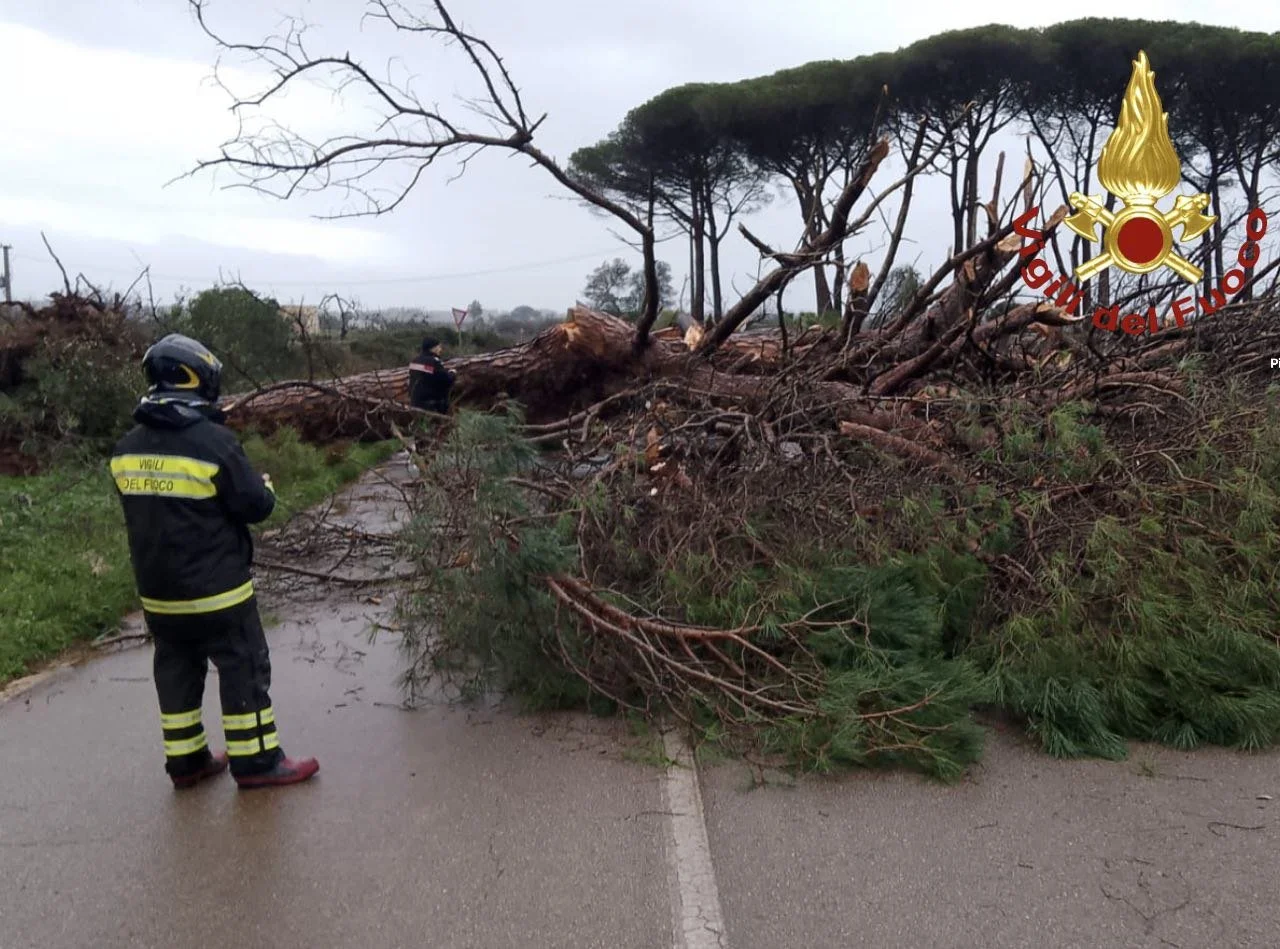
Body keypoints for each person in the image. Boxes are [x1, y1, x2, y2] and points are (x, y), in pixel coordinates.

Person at [109, 333, 319, 790]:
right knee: (243, 664)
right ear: (199, 381)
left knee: (177, 669)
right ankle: (258, 763)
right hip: (218, 591)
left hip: (159, 596)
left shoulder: (126, 448)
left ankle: (187, 763)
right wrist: (266, 486)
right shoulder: (214, 443)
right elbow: (255, 506)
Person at [408, 336, 456, 413]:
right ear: (433, 348)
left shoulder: (414, 361)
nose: (441, 349)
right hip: (431, 405)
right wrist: (452, 373)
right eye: (439, 347)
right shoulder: (433, 362)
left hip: (414, 403)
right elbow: (446, 380)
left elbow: (429, 373)